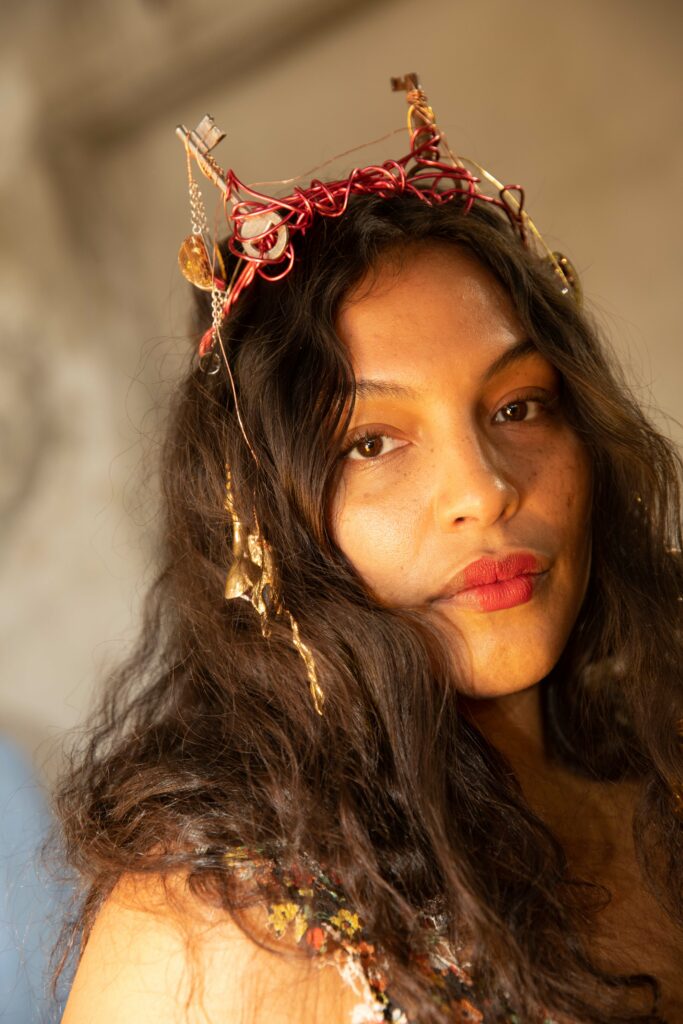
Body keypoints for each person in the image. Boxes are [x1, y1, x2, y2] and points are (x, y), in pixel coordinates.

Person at [59, 78, 682, 1023]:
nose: (483, 491)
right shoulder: (221, 931)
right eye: (370, 443)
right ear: (257, 518)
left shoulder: (661, 762)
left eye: (517, 407)